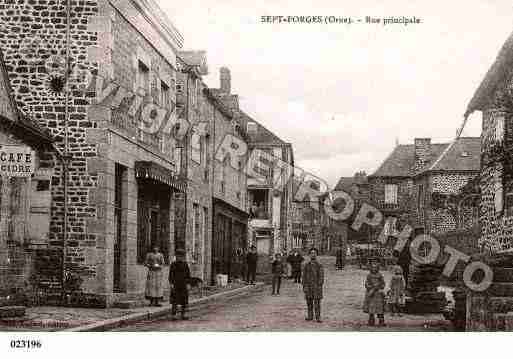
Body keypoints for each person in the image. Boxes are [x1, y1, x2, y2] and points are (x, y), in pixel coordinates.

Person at [302, 248, 324, 322]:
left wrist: (319, 285)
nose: (313, 254)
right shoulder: (306, 265)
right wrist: (304, 286)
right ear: (309, 255)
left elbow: (321, 277)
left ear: (316, 255)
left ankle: (318, 317)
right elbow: (304, 276)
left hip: (316, 287)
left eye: (314, 253)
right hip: (308, 287)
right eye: (311, 253)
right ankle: (310, 316)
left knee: (317, 303)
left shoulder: (319, 265)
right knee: (309, 302)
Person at [169, 248, 191, 320]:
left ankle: (183, 314)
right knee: (174, 300)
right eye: (178, 256)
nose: (180, 257)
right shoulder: (173, 264)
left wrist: (188, 284)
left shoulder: (185, 264)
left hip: (183, 284)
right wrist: (171, 283)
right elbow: (171, 275)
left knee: (184, 300)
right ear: (176, 256)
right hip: (175, 284)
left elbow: (188, 275)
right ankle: (174, 314)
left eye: (181, 256)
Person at [363, 260, 386, 326]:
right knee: (371, 309)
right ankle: (371, 321)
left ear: (378, 268)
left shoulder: (380, 275)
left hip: (378, 294)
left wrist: (379, 287)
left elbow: (383, 284)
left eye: (375, 268)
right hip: (371, 294)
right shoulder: (369, 275)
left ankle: (381, 321)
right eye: (372, 268)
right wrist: (370, 287)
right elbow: (366, 283)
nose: (374, 269)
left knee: (380, 309)